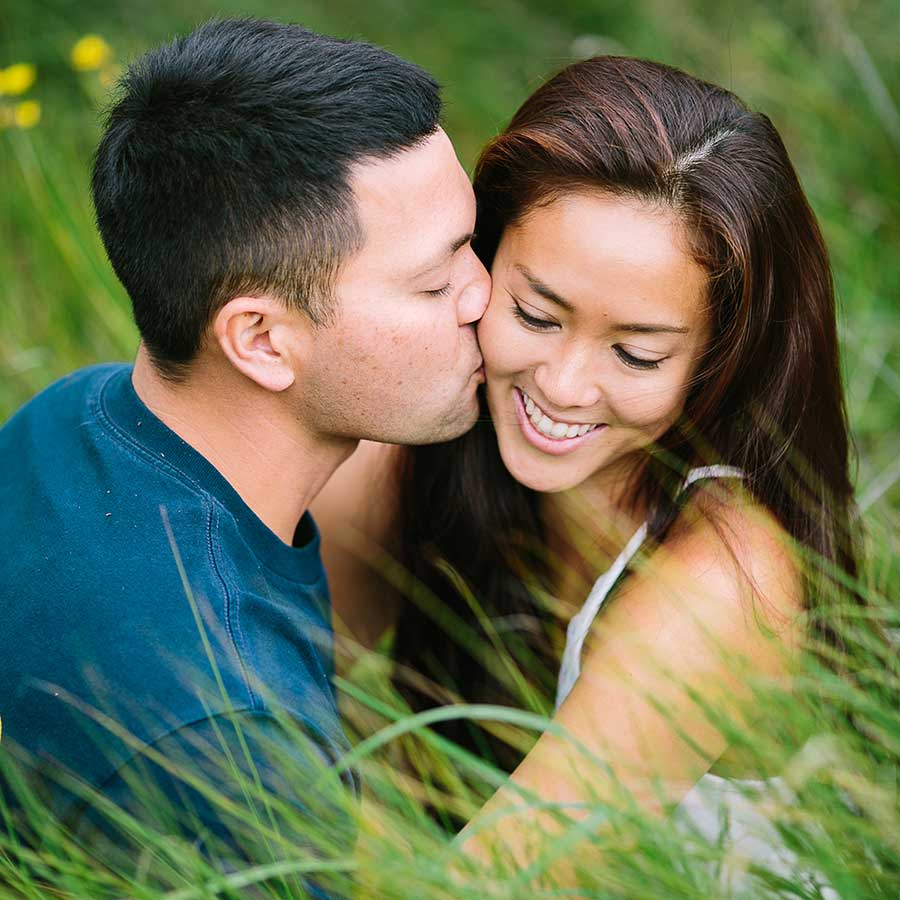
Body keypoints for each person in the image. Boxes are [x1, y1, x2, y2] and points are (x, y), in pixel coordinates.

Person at [314, 55, 860, 881]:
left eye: (637, 354)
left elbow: (500, 886)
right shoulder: (426, 448)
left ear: (718, 361)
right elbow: (256, 691)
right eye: (535, 313)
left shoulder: (728, 580)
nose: (563, 387)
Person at [0, 16, 489, 882]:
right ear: (261, 339)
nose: (485, 296)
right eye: (435, 280)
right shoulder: (227, 737)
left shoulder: (73, 414)